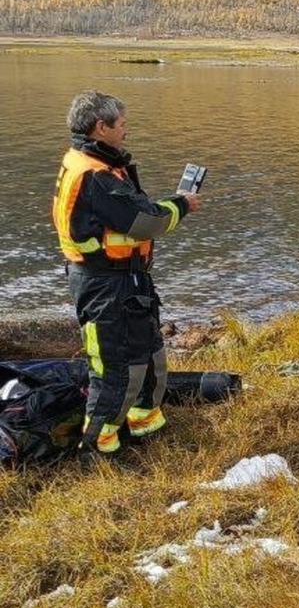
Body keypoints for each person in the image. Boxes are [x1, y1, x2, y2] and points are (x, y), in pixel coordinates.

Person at [51, 91, 203, 458]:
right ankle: (99, 450)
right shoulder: (96, 176)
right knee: (118, 367)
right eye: (121, 125)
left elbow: (134, 212)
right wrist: (183, 203)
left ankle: (145, 425)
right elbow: (144, 220)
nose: (126, 130)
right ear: (101, 128)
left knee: (149, 356)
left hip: (126, 280)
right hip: (106, 284)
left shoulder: (95, 164)